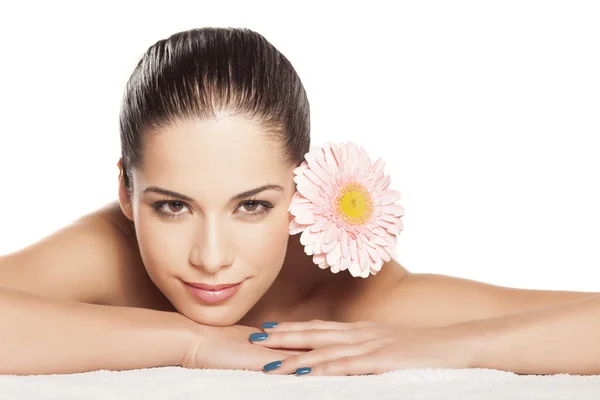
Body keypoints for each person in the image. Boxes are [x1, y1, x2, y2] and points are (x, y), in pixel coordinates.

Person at [0, 27, 598, 377]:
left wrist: (442, 347)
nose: (211, 258)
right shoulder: (106, 250)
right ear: (127, 193)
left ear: (303, 190)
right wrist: (190, 342)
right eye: (173, 207)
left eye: (252, 206)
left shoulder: (346, 294)